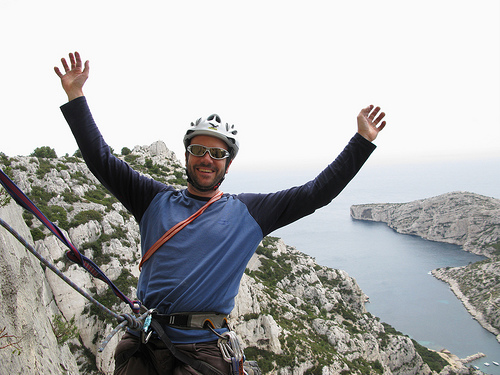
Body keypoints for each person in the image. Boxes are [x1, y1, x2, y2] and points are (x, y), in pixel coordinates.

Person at [54, 51, 387, 375]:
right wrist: (76, 94)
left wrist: (361, 142)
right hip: (147, 341)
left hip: (203, 349)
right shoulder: (152, 199)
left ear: (228, 162)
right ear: (186, 156)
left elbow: (317, 193)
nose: (206, 159)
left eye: (217, 153)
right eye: (198, 150)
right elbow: (102, 161)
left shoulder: (250, 212)